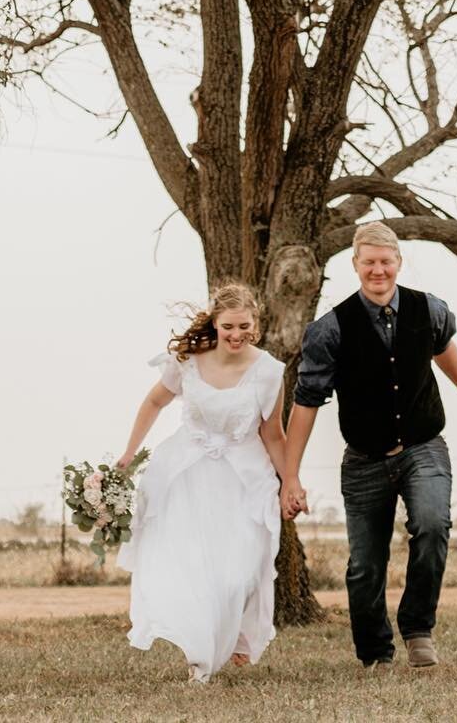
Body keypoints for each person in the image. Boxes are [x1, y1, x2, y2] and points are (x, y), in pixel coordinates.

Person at [280, 221, 457, 671]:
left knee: (434, 525)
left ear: (398, 263)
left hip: (423, 445)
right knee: (365, 566)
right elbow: (306, 403)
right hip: (364, 460)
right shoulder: (330, 330)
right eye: (369, 263)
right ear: (356, 266)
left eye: (386, 262)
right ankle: (376, 652)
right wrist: (290, 476)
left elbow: (445, 349)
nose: (378, 270)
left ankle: (418, 630)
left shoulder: (429, 309)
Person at [115, 283, 288, 683]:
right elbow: (154, 401)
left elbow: (274, 434)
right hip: (186, 475)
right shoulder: (188, 360)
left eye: (244, 326)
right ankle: (199, 660)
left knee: (239, 573)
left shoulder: (268, 371)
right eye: (228, 326)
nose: (235, 334)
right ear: (215, 322)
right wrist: (129, 453)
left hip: (245, 479)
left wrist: (290, 482)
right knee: (189, 569)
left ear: (256, 324)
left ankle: (233, 638)